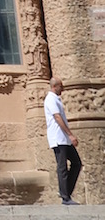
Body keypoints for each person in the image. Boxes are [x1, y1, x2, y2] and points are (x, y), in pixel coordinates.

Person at [44, 77, 82, 205]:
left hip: (64, 139)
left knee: (76, 163)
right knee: (62, 167)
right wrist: (70, 134)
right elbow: (57, 117)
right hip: (58, 138)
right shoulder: (50, 99)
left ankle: (66, 192)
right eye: (61, 86)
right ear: (55, 86)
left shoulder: (56, 99)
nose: (63, 89)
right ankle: (65, 197)